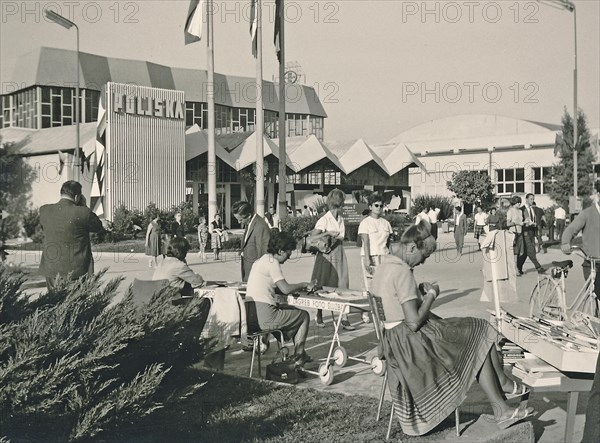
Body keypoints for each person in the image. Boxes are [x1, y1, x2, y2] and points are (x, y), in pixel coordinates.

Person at [370, 221, 534, 436]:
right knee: (477, 335)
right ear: (411, 248)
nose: (422, 262)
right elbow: (413, 322)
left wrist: (417, 295)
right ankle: (502, 399)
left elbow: (388, 308)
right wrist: (431, 295)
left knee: (477, 329)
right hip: (412, 345)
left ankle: (502, 393)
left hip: (394, 340)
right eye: (424, 256)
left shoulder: (384, 265)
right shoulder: (403, 272)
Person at [246, 231, 316, 366]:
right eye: (288, 253)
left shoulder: (261, 260)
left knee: (290, 312)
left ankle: (299, 353)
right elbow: (285, 289)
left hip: (250, 316)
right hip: (265, 316)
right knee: (303, 316)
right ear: (280, 251)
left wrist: (296, 288)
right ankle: (300, 355)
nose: (289, 257)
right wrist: (304, 284)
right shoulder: (273, 263)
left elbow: (274, 287)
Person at [39, 181, 104, 289]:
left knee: (54, 302)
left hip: (51, 269)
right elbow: (98, 227)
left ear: (61, 193)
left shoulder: (44, 210)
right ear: (77, 196)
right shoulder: (83, 212)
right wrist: (84, 206)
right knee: (75, 303)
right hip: (76, 271)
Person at [310, 189, 353, 330]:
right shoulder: (324, 219)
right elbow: (312, 238)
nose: (341, 205)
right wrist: (327, 233)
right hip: (326, 254)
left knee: (342, 282)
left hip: (339, 251)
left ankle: (344, 317)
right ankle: (319, 314)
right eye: (341, 203)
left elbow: (341, 237)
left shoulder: (340, 218)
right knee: (323, 282)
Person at [561, 181, 600, 299]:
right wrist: (565, 242)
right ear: (598, 194)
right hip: (592, 263)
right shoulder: (587, 213)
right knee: (596, 295)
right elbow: (572, 228)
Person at [232, 201, 271, 282]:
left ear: (249, 215)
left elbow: (264, 253)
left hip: (256, 276)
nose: (239, 222)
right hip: (249, 273)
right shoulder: (250, 223)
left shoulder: (260, 226)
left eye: (240, 219)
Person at [358, 193, 393, 279]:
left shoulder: (386, 223)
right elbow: (366, 242)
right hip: (371, 256)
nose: (379, 208)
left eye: (381, 206)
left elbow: (388, 243)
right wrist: (367, 259)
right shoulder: (365, 223)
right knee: (370, 284)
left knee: (384, 283)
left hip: (384, 256)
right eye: (376, 205)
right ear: (370, 207)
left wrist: (391, 258)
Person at [518, 194, 545, 275]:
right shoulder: (521, 209)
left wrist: (534, 225)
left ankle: (518, 267)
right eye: (530, 199)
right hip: (525, 232)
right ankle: (538, 267)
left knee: (526, 252)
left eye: (533, 199)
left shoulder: (532, 209)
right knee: (531, 249)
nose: (532, 201)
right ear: (526, 199)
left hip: (531, 231)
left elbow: (534, 219)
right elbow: (520, 221)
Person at [506, 195, 525, 276]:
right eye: (518, 202)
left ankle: (515, 267)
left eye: (520, 202)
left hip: (520, 232)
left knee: (521, 252)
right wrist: (517, 223)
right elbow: (508, 223)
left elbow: (521, 221)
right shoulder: (510, 211)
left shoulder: (520, 211)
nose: (519, 204)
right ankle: (515, 269)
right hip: (513, 233)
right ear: (514, 203)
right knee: (515, 252)